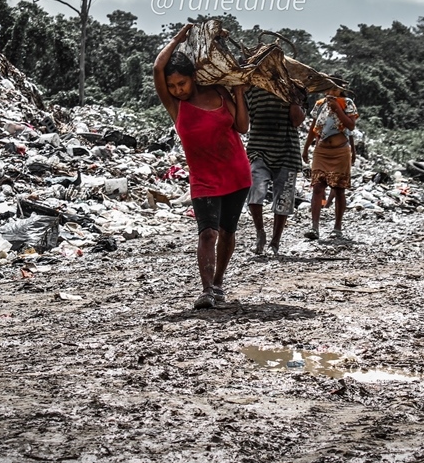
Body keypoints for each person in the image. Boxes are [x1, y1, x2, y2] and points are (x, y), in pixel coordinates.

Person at [153, 23, 252, 309]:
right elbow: (158, 69)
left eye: (181, 83)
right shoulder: (175, 106)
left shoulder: (220, 93)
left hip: (237, 173)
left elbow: (242, 127)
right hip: (204, 179)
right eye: (172, 86)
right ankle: (207, 290)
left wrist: (239, 93)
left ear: (193, 78)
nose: (177, 89)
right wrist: (178, 38)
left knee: (228, 232)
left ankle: (219, 284)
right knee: (208, 233)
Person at [244, 86, 305, 256]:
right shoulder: (252, 87)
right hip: (259, 148)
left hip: (288, 151)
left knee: (283, 200)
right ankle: (260, 232)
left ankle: (275, 242)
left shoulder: (295, 87)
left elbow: (297, 121)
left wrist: (293, 98)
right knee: (256, 191)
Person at [302, 87, 359, 240]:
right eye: (327, 88)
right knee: (318, 187)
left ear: (340, 90)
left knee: (339, 189)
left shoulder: (347, 103)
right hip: (321, 150)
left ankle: (337, 228)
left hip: (340, 151)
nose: (330, 92)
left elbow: (351, 126)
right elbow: (314, 129)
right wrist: (306, 148)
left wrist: (337, 109)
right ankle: (314, 227)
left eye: (333, 89)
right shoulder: (320, 104)